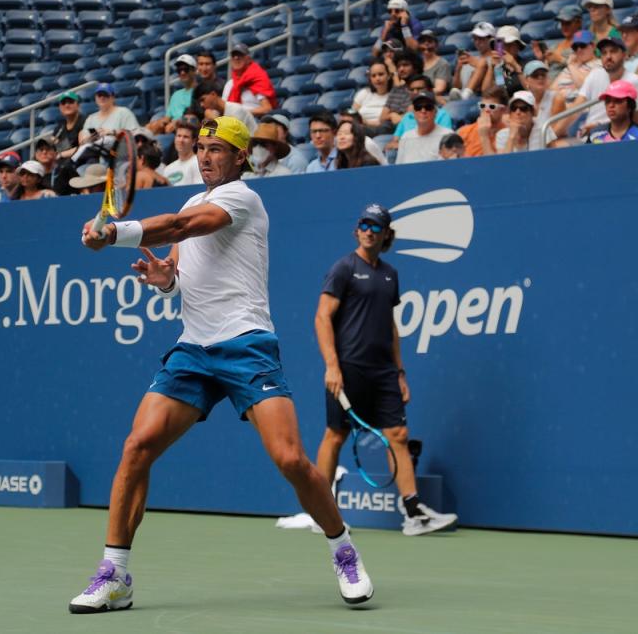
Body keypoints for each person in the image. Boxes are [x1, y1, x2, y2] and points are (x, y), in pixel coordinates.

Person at [72, 115, 374, 613]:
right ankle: (115, 574)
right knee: (137, 446)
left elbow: (184, 226)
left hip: (247, 345)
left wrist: (115, 233)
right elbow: (179, 271)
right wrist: (164, 278)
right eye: (203, 148)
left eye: (218, 149)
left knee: (291, 460)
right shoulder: (194, 200)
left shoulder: (241, 198)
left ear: (240, 158)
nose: (207, 156)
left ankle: (342, 547)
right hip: (194, 349)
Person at [314, 204, 458, 537]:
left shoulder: (390, 274)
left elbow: (391, 327)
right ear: (356, 230)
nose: (368, 230)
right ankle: (320, 510)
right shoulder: (343, 269)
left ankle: (413, 515)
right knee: (335, 436)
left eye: (375, 227)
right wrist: (332, 367)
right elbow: (322, 317)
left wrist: (400, 372)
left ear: (386, 234)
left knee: (399, 436)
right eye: (363, 224)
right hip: (348, 369)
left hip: (383, 373)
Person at [553, 34, 638, 137]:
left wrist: (600, 127)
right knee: (555, 145)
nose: (608, 56)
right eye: (604, 53)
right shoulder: (595, 74)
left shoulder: (636, 81)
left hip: (619, 138)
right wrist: (552, 135)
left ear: (624, 55)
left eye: (613, 51)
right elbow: (575, 109)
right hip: (589, 137)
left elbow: (634, 121)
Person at [395, 91, 454, 164]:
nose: (423, 111)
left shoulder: (448, 136)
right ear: (414, 112)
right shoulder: (406, 137)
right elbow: (399, 167)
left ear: (435, 112)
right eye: (418, 107)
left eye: (428, 107)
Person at [147, 54, 199, 135]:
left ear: (194, 70)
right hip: (172, 128)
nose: (182, 72)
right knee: (150, 127)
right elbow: (168, 117)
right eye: (179, 70)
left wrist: (177, 122)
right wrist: (158, 123)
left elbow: (197, 117)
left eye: (186, 69)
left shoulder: (200, 91)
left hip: (189, 128)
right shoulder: (176, 95)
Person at [492, 91, 557, 153]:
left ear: (533, 112)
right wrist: (511, 137)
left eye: (523, 108)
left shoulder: (544, 129)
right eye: (514, 108)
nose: (518, 112)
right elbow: (503, 163)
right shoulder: (502, 135)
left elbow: (555, 157)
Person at [222, 43, 277, 117]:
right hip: (232, 120)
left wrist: (242, 112)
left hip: (254, 120)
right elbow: (223, 108)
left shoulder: (257, 78)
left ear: (248, 59)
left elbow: (267, 108)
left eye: (240, 55)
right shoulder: (230, 83)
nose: (236, 58)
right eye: (233, 56)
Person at [459, 86, 509, 157]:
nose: (486, 110)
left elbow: (498, 165)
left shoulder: (507, 134)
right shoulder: (465, 132)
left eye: (492, 106)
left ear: (504, 110)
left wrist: (484, 137)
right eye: (482, 106)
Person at [551, 30, 601, 100]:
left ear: (593, 46)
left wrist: (571, 66)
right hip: (561, 105)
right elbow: (552, 89)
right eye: (575, 47)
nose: (579, 50)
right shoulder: (573, 65)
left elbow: (585, 87)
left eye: (582, 45)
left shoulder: (599, 64)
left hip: (580, 107)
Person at [452, 22, 496, 101]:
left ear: (491, 39)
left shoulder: (497, 59)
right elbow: (456, 88)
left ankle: (466, 95)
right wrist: (458, 69)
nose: (477, 42)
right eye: (475, 39)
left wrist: (479, 64)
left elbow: (500, 84)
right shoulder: (469, 59)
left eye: (481, 39)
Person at [193, 80, 258, 134]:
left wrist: (215, 119)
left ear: (213, 94)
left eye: (203, 99)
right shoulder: (215, 113)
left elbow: (232, 137)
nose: (201, 105)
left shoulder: (236, 110)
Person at [379, 51, 423, 128]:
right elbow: (382, 118)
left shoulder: (422, 87)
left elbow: (414, 116)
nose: (401, 69)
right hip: (388, 128)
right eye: (398, 66)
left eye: (405, 65)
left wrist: (399, 117)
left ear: (415, 67)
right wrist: (392, 115)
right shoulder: (396, 89)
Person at [481, 25, 527, 97]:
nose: (506, 48)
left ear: (518, 46)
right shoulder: (498, 68)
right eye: (502, 45)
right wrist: (491, 67)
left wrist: (515, 65)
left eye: (510, 45)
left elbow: (531, 89)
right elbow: (486, 93)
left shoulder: (527, 65)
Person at [353, 60, 393, 135]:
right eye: (373, 76)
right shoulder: (364, 93)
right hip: (360, 130)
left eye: (381, 74)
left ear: (389, 76)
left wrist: (366, 122)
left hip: (382, 132)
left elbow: (386, 123)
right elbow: (353, 115)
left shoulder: (395, 96)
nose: (377, 78)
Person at [162, 120, 203, 186]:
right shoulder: (167, 169)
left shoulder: (199, 163)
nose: (181, 140)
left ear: (194, 142)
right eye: (179, 136)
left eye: (185, 137)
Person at [53, 91, 86, 161]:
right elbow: (55, 148)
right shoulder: (60, 127)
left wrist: (61, 154)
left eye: (70, 102)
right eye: (63, 103)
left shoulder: (85, 121)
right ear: (60, 107)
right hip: (63, 163)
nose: (67, 105)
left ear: (78, 105)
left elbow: (84, 147)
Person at [417, 30, 452, 97]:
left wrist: (419, 94)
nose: (426, 44)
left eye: (429, 41)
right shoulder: (416, 62)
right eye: (423, 41)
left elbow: (439, 89)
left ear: (436, 45)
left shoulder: (442, 64)